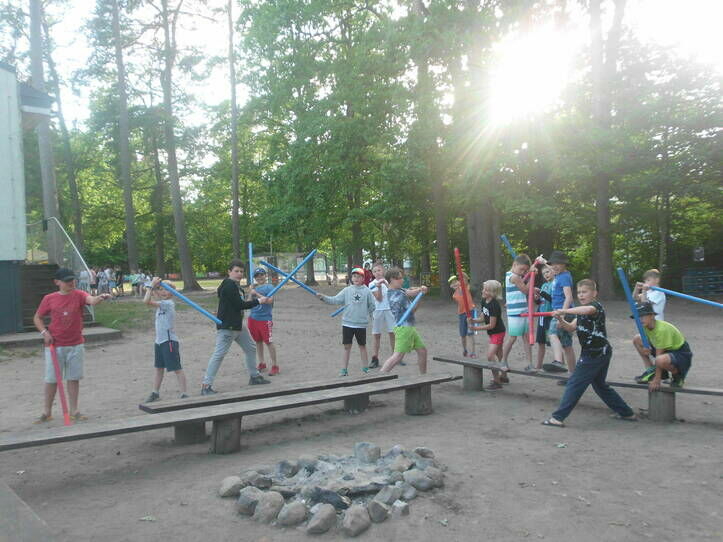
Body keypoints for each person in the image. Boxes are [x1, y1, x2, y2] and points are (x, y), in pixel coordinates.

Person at [542, 279, 636, 427]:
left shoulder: (595, 307)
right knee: (600, 385)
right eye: (579, 292)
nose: (581, 295)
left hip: (596, 354)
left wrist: (564, 310)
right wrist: (560, 319)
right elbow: (571, 328)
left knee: (574, 384)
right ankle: (626, 413)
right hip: (595, 353)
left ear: (594, 293)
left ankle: (557, 418)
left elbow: (587, 310)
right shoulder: (580, 313)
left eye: (584, 292)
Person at [32, 268, 111, 423]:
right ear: (57, 282)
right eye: (67, 280)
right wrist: (44, 333)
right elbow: (37, 318)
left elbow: (92, 300)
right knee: (52, 379)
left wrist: (101, 297)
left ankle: (74, 410)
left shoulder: (79, 294)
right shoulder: (49, 298)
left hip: (75, 344)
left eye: (72, 279)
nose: (71, 282)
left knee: (73, 378)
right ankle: (47, 412)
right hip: (55, 345)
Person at [201, 259, 272, 395]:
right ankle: (206, 385)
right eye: (236, 271)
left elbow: (229, 303)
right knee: (219, 355)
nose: (239, 274)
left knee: (250, 348)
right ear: (229, 272)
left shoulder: (235, 286)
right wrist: (259, 301)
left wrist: (222, 311)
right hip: (228, 327)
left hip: (237, 325)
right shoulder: (229, 285)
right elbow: (240, 305)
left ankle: (254, 376)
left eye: (241, 271)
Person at [317, 267, 376, 376]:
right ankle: (344, 370)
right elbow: (335, 300)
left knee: (362, 346)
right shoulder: (347, 290)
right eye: (354, 276)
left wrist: (365, 313)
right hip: (347, 323)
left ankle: (365, 367)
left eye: (359, 276)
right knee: (347, 347)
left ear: (363, 279)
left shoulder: (367, 291)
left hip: (361, 325)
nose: (356, 278)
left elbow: (372, 305)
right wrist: (323, 298)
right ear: (351, 278)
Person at [143, 277, 188, 402]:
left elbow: (146, 301)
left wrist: (151, 286)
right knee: (159, 368)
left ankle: (184, 393)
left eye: (166, 290)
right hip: (159, 342)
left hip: (169, 342)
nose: (163, 292)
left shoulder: (168, 304)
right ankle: (155, 392)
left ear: (172, 293)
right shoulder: (161, 303)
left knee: (177, 368)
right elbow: (150, 294)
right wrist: (152, 287)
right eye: (161, 289)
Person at [380, 267, 429, 374]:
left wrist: (419, 290)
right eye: (399, 278)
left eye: (402, 278)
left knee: (422, 351)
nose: (402, 280)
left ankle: (423, 377)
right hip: (404, 328)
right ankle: (379, 378)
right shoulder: (397, 295)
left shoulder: (398, 290)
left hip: (408, 327)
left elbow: (409, 291)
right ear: (392, 279)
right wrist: (420, 294)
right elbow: (413, 309)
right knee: (397, 356)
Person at [632, 302, 692, 389]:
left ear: (652, 316)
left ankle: (677, 375)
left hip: (681, 353)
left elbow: (658, 356)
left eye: (643, 316)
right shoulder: (645, 326)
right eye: (637, 317)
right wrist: (646, 348)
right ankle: (651, 370)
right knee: (637, 339)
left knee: (660, 360)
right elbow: (650, 342)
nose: (640, 320)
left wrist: (657, 380)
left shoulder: (661, 330)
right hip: (664, 350)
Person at [543, 250, 576, 377]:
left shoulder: (564, 277)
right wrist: (543, 262)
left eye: (558, 264)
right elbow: (551, 267)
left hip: (562, 312)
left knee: (552, 334)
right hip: (564, 312)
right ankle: (572, 375)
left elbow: (569, 297)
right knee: (567, 345)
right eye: (553, 264)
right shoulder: (559, 274)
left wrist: (562, 315)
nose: (554, 266)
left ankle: (558, 361)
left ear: (564, 264)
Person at [500, 254, 534, 376]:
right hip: (515, 313)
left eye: (525, 270)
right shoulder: (514, 277)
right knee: (513, 338)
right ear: (514, 265)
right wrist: (532, 276)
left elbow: (522, 290)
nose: (523, 272)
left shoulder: (517, 276)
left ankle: (529, 363)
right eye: (522, 269)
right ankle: (503, 360)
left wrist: (529, 276)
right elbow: (526, 290)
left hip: (523, 310)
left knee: (526, 337)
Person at [469, 280, 507, 389]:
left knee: (490, 356)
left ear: (492, 293)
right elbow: (482, 318)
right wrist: (473, 320)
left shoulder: (494, 305)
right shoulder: (484, 301)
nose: (483, 291)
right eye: (484, 289)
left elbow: (491, 325)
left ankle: (497, 381)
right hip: (493, 333)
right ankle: (504, 376)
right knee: (499, 354)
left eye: (486, 290)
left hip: (497, 332)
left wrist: (476, 328)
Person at [631, 269, 667, 382]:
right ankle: (650, 368)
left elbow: (644, 304)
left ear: (657, 280)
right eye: (645, 280)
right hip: (648, 327)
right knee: (637, 340)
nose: (646, 282)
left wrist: (644, 291)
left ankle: (661, 371)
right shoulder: (650, 292)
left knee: (658, 350)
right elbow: (634, 298)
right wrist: (636, 289)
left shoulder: (659, 293)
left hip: (657, 327)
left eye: (648, 280)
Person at [247, 268, 279, 376]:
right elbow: (248, 303)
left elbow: (269, 301)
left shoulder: (269, 287)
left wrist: (256, 293)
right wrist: (251, 292)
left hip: (265, 319)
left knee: (269, 342)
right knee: (258, 341)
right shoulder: (253, 287)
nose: (259, 277)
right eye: (257, 276)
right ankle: (262, 363)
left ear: (265, 275)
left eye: (261, 275)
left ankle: (275, 366)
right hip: (253, 318)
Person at [368, 262, 395, 369]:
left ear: (383, 271)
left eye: (379, 270)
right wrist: (379, 287)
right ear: (373, 273)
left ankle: (395, 357)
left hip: (389, 310)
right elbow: (379, 299)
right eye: (374, 271)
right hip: (377, 311)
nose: (377, 273)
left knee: (392, 333)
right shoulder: (371, 284)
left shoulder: (389, 282)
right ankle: (375, 359)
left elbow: (394, 294)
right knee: (376, 335)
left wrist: (385, 284)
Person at [449, 273, 476, 358]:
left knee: (470, 332)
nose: (454, 284)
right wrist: (457, 285)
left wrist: (461, 273)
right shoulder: (454, 295)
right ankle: (465, 350)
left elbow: (466, 279)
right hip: (461, 314)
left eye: (455, 282)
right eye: (452, 284)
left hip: (470, 311)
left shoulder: (465, 287)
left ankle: (473, 352)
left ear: (458, 281)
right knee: (463, 334)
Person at [535, 265, 555, 370]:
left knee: (554, 341)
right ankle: (538, 365)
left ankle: (560, 362)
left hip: (551, 316)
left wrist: (541, 293)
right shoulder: (544, 285)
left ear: (553, 271)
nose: (546, 275)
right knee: (540, 342)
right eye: (544, 273)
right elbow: (540, 302)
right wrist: (537, 298)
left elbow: (553, 300)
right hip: (541, 316)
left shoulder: (555, 285)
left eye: (547, 272)